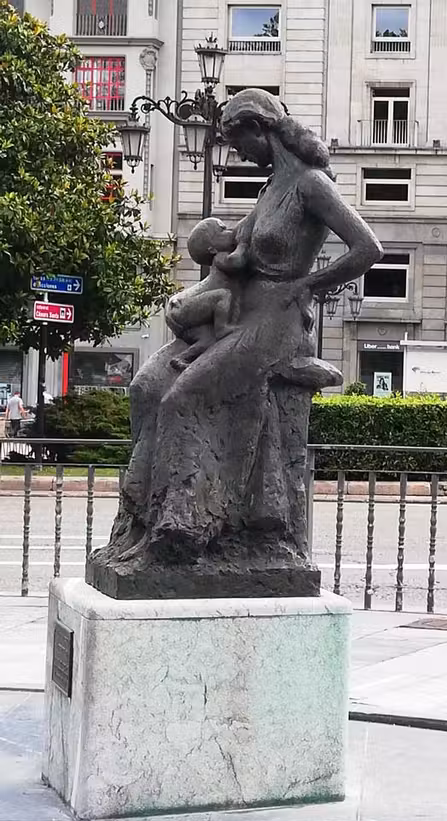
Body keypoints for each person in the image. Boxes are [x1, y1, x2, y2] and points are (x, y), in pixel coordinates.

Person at [89, 87, 383, 573]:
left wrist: (307, 286)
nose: (238, 154)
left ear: (260, 129)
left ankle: (183, 530)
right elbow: (229, 249)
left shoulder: (311, 185)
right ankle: (140, 519)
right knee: (147, 385)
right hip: (240, 310)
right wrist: (192, 298)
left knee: (185, 395)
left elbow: (368, 248)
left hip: (278, 319)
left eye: (238, 141)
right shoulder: (269, 192)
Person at [165, 217, 242, 372]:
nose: (229, 231)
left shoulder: (220, 256)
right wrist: (244, 245)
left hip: (179, 314)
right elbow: (238, 262)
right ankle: (222, 328)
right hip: (183, 306)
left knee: (208, 340)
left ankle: (182, 358)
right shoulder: (220, 257)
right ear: (212, 249)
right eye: (222, 230)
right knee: (223, 295)